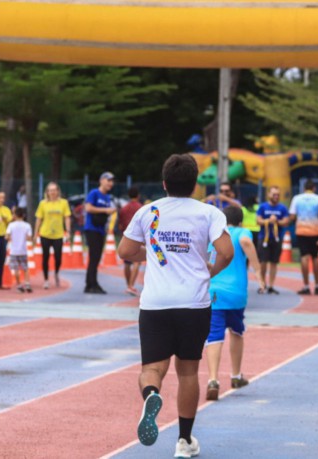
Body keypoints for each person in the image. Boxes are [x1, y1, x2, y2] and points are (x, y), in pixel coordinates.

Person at [118, 153, 233, 459]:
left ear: (164, 183)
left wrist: (153, 256)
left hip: (155, 304)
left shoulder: (148, 211)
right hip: (193, 303)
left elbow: (125, 251)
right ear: (195, 184)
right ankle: (184, 440)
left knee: (152, 368)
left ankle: (151, 394)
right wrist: (209, 270)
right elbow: (226, 252)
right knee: (187, 372)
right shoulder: (208, 213)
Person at [205, 206, 265, 401]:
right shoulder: (242, 232)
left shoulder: (215, 234)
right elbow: (246, 242)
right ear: (241, 221)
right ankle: (236, 375)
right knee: (236, 332)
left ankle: (213, 379)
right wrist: (259, 274)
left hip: (213, 290)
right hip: (235, 292)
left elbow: (206, 259)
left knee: (214, 335)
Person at [290, 179, 318, 295]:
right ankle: (317, 285)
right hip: (315, 231)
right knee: (315, 257)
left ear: (304, 188)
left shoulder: (297, 198)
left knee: (304, 257)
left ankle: (306, 286)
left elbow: (292, 216)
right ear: (314, 188)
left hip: (301, 231)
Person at [34, 182, 72, 289]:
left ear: (58, 191)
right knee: (45, 257)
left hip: (58, 234)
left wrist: (68, 231)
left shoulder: (63, 203)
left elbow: (67, 217)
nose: (52, 192)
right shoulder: (43, 203)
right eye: (50, 190)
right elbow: (39, 218)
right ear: (47, 192)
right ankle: (46, 279)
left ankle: (56, 273)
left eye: (54, 190)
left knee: (58, 258)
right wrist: (35, 233)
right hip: (45, 233)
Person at [84, 172, 116, 294]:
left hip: (100, 229)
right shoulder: (94, 193)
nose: (110, 183)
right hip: (91, 229)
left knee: (96, 258)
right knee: (94, 257)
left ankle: (90, 283)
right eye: (108, 180)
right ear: (101, 180)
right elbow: (88, 208)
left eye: (112, 181)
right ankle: (92, 284)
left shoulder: (107, 197)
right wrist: (106, 210)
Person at [256, 185, 289, 294]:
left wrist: (277, 221)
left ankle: (271, 285)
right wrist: (268, 221)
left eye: (278, 195)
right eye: (274, 194)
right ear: (269, 194)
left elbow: (286, 221)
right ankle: (262, 284)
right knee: (263, 262)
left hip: (276, 238)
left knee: (274, 262)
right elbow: (258, 220)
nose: (276, 196)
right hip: (264, 238)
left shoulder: (282, 208)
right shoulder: (263, 207)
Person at [119, 186, 143, 296]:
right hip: (139, 237)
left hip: (127, 236)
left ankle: (128, 284)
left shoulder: (124, 208)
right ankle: (131, 285)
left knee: (127, 262)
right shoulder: (141, 208)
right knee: (137, 262)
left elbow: (120, 224)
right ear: (138, 195)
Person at [7, 207, 33, 293]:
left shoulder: (11, 225)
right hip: (23, 250)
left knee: (16, 269)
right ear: (24, 215)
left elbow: (7, 236)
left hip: (14, 251)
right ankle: (27, 283)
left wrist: (10, 238)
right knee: (25, 268)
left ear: (14, 215)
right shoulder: (27, 225)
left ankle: (19, 285)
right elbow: (29, 238)